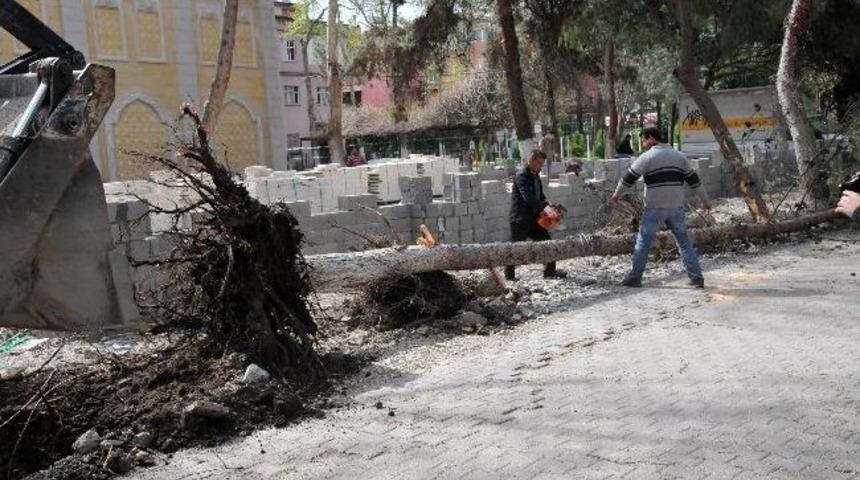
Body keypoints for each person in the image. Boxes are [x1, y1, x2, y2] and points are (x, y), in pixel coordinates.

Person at [609, 127, 710, 288]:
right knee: (684, 242)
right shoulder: (680, 156)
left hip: (654, 207)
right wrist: (706, 201)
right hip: (676, 207)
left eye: (643, 140)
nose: (643, 144)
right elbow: (695, 182)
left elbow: (628, 179)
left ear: (651, 139)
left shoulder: (647, 157)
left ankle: (635, 277)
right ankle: (697, 277)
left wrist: (616, 195)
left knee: (643, 242)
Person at [504, 150, 567, 281]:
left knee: (547, 243)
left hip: (534, 220)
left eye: (542, 163)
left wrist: (550, 205)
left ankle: (550, 272)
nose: (541, 166)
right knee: (514, 249)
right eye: (539, 163)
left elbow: (540, 196)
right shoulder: (521, 176)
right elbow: (528, 198)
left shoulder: (536, 175)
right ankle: (509, 277)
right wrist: (546, 207)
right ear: (531, 161)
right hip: (520, 220)